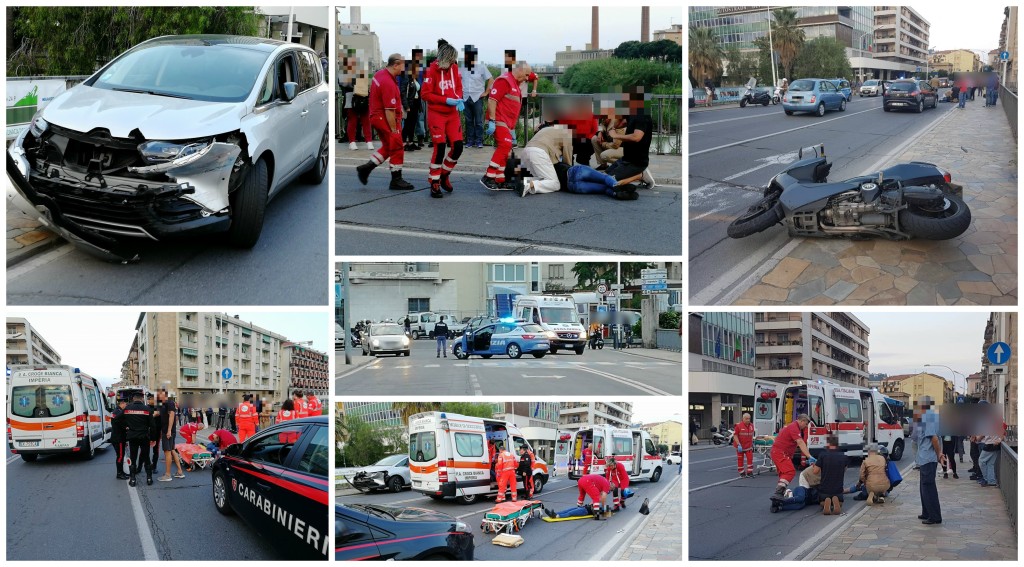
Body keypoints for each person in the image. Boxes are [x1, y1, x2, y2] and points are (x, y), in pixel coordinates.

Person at [355, 53, 415, 190]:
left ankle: (366, 168)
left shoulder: (380, 74)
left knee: (388, 147)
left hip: (376, 117)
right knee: (397, 146)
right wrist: (394, 129)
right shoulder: (388, 82)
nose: (403, 69)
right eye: (402, 66)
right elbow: (389, 109)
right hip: (385, 118)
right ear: (395, 64)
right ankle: (396, 179)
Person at [421, 39, 465, 198]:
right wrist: (445, 100)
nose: (454, 61)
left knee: (458, 147)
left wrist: (459, 98)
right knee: (439, 148)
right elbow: (425, 94)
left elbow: (458, 86)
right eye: (452, 59)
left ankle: (444, 174)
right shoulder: (431, 70)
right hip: (437, 113)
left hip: (452, 114)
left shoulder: (454, 68)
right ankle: (434, 181)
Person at [482, 61, 532, 190]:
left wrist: (512, 129)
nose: (527, 78)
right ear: (519, 70)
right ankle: (489, 175)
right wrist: (492, 120)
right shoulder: (504, 81)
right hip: (499, 120)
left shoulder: (514, 83)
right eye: (526, 75)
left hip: (507, 124)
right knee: (505, 146)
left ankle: (499, 179)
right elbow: (492, 100)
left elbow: (512, 108)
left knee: (507, 150)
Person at [604, 87, 655, 193]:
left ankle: (640, 175)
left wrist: (616, 135)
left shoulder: (642, 116)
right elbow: (619, 124)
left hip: (637, 162)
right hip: (626, 159)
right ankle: (637, 174)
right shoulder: (631, 112)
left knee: (610, 182)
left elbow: (637, 137)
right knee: (604, 176)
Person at [518, 124, 573, 196]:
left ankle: (524, 182)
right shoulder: (567, 134)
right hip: (539, 153)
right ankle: (528, 184)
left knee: (543, 179)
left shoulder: (547, 129)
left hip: (526, 151)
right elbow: (567, 158)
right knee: (555, 184)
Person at [770, 413, 815, 499]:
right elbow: (800, 442)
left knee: (783, 475)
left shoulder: (792, 427)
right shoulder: (794, 427)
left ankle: (780, 494)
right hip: (780, 452)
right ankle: (778, 493)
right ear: (802, 421)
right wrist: (809, 456)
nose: (806, 427)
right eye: (806, 424)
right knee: (789, 472)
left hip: (779, 452)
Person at [913, 396, 943, 524]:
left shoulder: (929, 418)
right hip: (924, 458)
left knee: (928, 487)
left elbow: (934, 439)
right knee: (924, 487)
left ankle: (934, 516)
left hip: (929, 458)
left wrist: (939, 454)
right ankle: (926, 512)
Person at [461, 45, 492, 149]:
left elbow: (491, 79)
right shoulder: (462, 67)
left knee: (478, 121)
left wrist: (487, 92)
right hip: (465, 97)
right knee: (468, 120)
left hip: (477, 97)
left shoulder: (481, 67)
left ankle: (479, 141)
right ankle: (470, 141)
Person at [123, 393, 155, 487]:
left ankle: (133, 479)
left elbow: (117, 419)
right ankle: (149, 479)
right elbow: (153, 426)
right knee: (146, 457)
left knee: (133, 458)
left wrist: (126, 426)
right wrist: (153, 439)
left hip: (132, 437)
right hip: (144, 436)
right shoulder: (147, 409)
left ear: (133, 399)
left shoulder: (127, 409)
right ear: (142, 399)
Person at [156, 390, 186, 482]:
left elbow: (172, 415)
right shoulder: (162, 405)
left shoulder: (170, 403)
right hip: (166, 431)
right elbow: (157, 413)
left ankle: (168, 475)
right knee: (172, 450)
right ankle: (180, 471)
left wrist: (169, 430)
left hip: (168, 432)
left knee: (167, 452)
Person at [817, 435, 848, 515]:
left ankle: (826, 502)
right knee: (840, 503)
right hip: (838, 490)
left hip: (824, 490)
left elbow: (815, 471)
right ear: (837, 444)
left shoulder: (823, 455)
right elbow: (844, 470)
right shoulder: (843, 456)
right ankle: (836, 501)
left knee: (821, 502)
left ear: (828, 444)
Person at [401, 52, 423, 152]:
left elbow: (418, 92)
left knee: (413, 124)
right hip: (409, 104)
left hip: (416, 104)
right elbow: (403, 92)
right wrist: (406, 106)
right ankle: (403, 142)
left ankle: (411, 141)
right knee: (407, 124)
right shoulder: (406, 78)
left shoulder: (416, 79)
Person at [733, 413, 756, 477]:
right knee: (740, 459)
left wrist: (752, 443)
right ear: (743, 419)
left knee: (750, 459)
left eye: (749, 418)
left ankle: (749, 472)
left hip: (748, 446)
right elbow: (735, 435)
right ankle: (741, 472)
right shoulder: (738, 426)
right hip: (740, 446)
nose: (748, 420)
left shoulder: (751, 425)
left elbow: (751, 435)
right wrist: (738, 444)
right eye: (746, 419)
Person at [111, 399, 129, 480]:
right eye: (125, 404)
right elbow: (121, 424)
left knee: (120, 456)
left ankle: (121, 472)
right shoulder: (118, 412)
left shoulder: (116, 411)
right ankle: (119, 473)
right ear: (122, 403)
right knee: (120, 456)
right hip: (119, 438)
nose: (126, 406)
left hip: (117, 437)